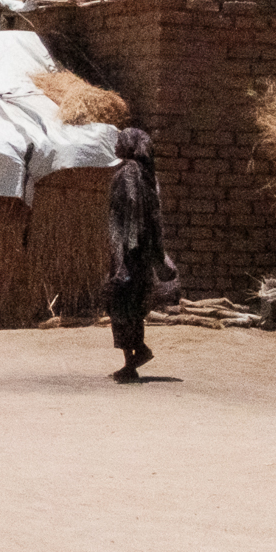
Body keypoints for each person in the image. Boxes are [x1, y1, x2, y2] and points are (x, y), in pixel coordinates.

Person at [103, 126, 174, 380]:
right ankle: (134, 357)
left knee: (120, 305)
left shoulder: (126, 174)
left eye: (120, 141)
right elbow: (154, 220)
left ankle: (133, 358)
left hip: (129, 252)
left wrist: (121, 259)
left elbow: (127, 218)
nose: (115, 145)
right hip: (142, 254)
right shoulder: (147, 176)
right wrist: (157, 254)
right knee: (132, 306)